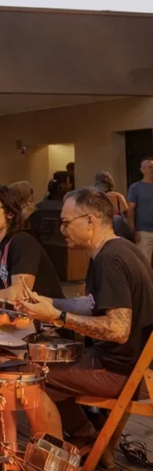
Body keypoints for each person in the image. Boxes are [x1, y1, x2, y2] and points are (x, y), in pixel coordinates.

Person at [14, 188, 153, 443]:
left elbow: (118, 330)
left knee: (28, 374)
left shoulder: (109, 260)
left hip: (121, 372)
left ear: (90, 221)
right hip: (129, 367)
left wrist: (57, 316)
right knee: (43, 363)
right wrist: (51, 302)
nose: (61, 230)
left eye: (67, 223)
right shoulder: (120, 248)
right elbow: (92, 304)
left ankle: (70, 448)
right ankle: (90, 432)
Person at [0, 185, 65, 302]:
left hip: (47, 316)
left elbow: (20, 292)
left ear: (10, 213)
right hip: (21, 314)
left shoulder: (23, 243)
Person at [127, 157, 153, 265]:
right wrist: (133, 229)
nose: (150, 170)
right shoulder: (135, 187)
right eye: (147, 167)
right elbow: (131, 209)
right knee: (144, 263)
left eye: (152, 167)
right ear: (142, 169)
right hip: (144, 230)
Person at [94, 171, 134, 240]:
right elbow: (125, 211)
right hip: (117, 226)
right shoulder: (117, 196)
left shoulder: (94, 197)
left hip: (103, 227)